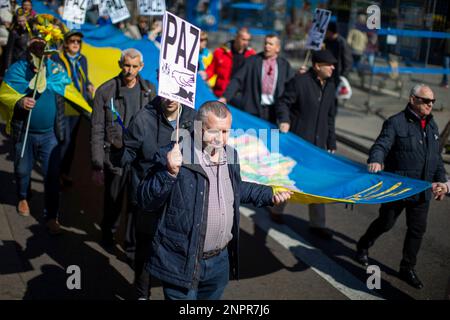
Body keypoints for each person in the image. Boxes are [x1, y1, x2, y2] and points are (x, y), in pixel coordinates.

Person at [137, 101, 292, 300]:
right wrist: (169, 173)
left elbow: (235, 190)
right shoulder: (174, 154)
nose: (220, 139)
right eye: (213, 132)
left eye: (225, 132)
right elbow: (145, 200)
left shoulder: (230, 154)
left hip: (219, 262)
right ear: (198, 127)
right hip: (183, 259)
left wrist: (268, 194)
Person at [356, 84, 447, 289]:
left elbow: (436, 159)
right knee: (386, 223)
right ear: (412, 99)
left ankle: (407, 267)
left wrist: (443, 181)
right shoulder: (395, 122)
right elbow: (381, 145)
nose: (430, 105)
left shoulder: (432, 126)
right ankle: (363, 245)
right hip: (398, 188)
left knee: (417, 230)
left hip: (422, 189)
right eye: (426, 100)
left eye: (432, 101)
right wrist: (376, 159)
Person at [0, 28, 89, 234]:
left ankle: (51, 215)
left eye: (45, 51)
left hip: (50, 135)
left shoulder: (56, 71)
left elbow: (72, 93)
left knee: (52, 175)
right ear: (30, 51)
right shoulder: (18, 69)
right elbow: (4, 93)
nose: (41, 55)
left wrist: (93, 114)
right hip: (25, 133)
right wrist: (20, 101)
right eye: (37, 50)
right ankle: (23, 196)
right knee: (22, 171)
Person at [116, 96, 196, 300]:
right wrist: (116, 149)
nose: (170, 99)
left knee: (175, 249)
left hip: (179, 200)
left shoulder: (192, 118)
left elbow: (202, 153)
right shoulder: (143, 118)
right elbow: (128, 155)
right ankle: (142, 293)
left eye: (174, 93)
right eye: (165, 93)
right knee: (145, 250)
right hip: (149, 198)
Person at [90, 48, 156, 253]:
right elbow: (97, 129)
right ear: (120, 64)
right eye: (127, 65)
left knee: (136, 204)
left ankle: (131, 246)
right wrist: (97, 164)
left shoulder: (150, 91)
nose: (130, 70)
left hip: (140, 159)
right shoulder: (105, 91)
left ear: (141, 67)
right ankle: (108, 232)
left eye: (135, 66)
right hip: (116, 157)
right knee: (113, 202)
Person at [273, 50, 337, 236]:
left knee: (317, 182)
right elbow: (283, 103)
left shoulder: (331, 86)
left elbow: (330, 116)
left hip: (318, 146)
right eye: (329, 64)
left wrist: (331, 141)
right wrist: (284, 120)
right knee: (288, 178)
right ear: (317, 66)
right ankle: (276, 209)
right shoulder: (299, 82)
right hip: (298, 143)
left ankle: (318, 224)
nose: (333, 67)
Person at [221, 34, 296, 124]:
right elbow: (237, 80)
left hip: (273, 112)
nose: (266, 46)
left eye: (270, 44)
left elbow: (292, 87)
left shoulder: (284, 65)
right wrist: (225, 97)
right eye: (265, 43)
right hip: (253, 109)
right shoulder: (252, 61)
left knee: (270, 137)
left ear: (277, 48)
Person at [53, 30, 94, 187]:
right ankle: (54, 173)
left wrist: (89, 84)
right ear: (66, 43)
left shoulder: (82, 59)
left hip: (79, 106)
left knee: (72, 144)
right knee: (63, 140)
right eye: (72, 41)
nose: (76, 44)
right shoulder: (58, 58)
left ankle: (64, 172)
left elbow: (84, 77)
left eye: (78, 41)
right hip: (63, 105)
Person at [200, 27, 255, 100]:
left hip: (240, 97)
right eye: (243, 39)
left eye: (248, 40)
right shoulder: (221, 52)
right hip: (220, 94)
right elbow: (212, 69)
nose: (246, 43)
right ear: (236, 38)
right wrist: (205, 74)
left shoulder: (252, 56)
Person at [324, 21, 353, 88]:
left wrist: (343, 76)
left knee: (334, 96)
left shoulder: (342, 43)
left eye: (327, 31)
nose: (325, 32)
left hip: (337, 76)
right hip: (326, 74)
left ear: (331, 32)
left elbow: (347, 62)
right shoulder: (326, 41)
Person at [0, 13, 29, 77]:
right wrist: (7, 67)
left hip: (26, 62)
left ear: (26, 20)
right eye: (19, 21)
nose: (21, 23)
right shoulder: (14, 32)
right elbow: (9, 51)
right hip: (16, 61)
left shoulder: (30, 31)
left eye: (23, 21)